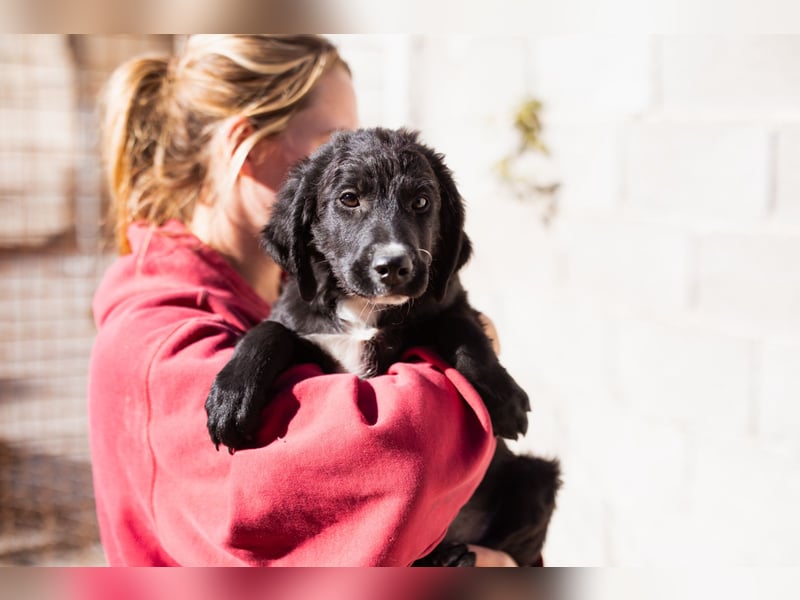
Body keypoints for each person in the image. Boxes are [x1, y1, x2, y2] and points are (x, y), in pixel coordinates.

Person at [88, 34, 513, 566]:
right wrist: (465, 361)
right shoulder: (162, 343)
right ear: (245, 146)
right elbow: (385, 464)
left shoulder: (270, 297)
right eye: (331, 140)